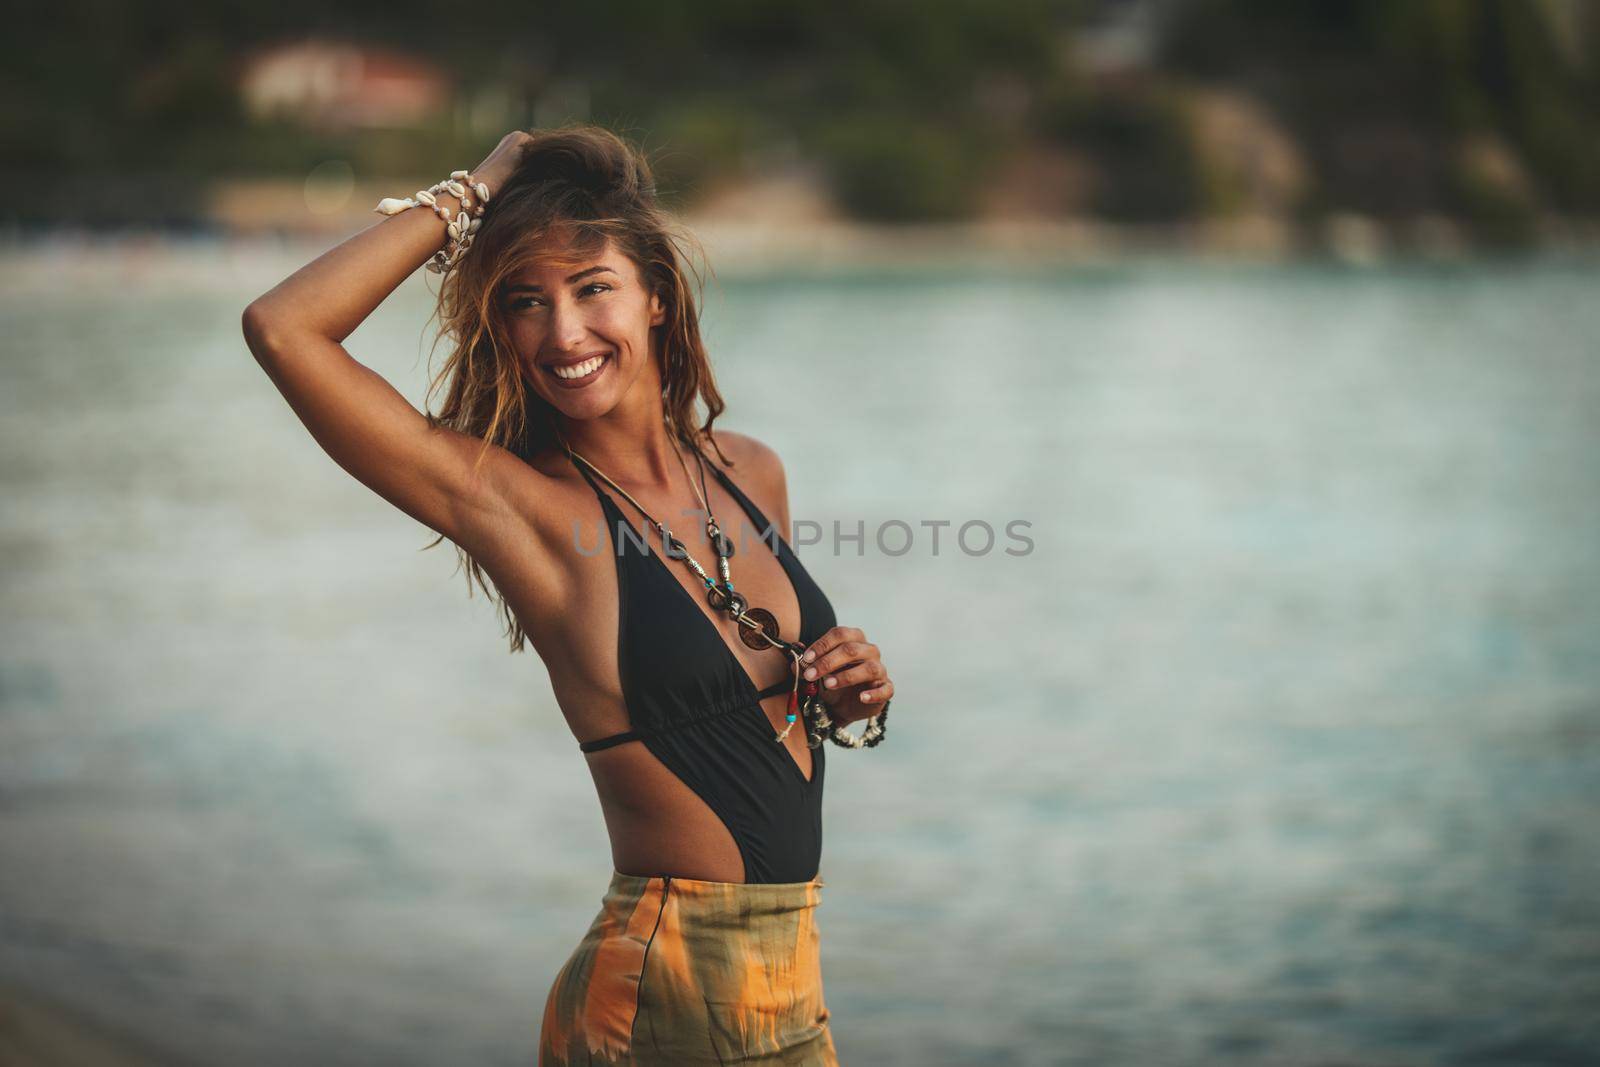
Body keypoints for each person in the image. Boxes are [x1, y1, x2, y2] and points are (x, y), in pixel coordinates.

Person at [240, 125, 895, 1065]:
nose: (565, 333)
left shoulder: (754, 472)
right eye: (525, 303)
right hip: (662, 988)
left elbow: (765, 711)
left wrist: (846, 691)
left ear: (657, 296)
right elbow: (283, 328)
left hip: (790, 983)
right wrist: (475, 189)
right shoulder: (521, 508)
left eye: (593, 289)